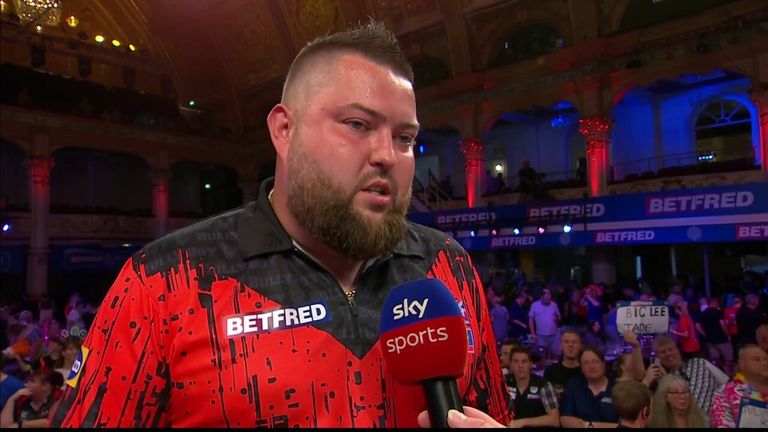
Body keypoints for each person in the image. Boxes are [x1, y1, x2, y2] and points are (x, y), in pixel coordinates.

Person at [49, 21, 511, 428]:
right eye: (356, 124)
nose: (387, 155)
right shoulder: (164, 282)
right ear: (284, 130)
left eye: (405, 138)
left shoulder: (448, 268)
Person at [651, 335, 728, 417]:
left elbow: (726, 384)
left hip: (715, 417)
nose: (668, 354)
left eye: (670, 349)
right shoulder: (665, 380)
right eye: (663, 352)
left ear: (678, 350)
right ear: (658, 357)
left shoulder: (701, 362)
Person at [710, 344, 768, 428]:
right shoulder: (726, 392)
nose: (765, 363)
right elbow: (721, 424)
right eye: (756, 359)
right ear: (742, 365)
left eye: (767, 359)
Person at [559, 347, 619, 428]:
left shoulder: (617, 388)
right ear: (581, 367)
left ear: (603, 364)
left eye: (595, 362)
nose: (591, 366)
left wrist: (589, 425)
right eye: (586, 363)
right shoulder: (574, 385)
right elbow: (565, 418)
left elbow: (624, 425)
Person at [505, 346, 560, 428]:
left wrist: (521, 422)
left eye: (524, 361)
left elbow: (554, 420)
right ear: (511, 364)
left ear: (530, 364)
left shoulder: (543, 385)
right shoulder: (503, 383)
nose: (520, 366)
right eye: (516, 361)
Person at [544, 330, 583, 400]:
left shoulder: (586, 371)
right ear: (561, 346)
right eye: (566, 342)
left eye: (574, 342)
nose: (570, 345)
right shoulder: (550, 371)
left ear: (581, 346)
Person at [528, 288, 561, 360]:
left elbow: (559, 318)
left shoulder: (554, 304)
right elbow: (531, 320)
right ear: (542, 297)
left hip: (554, 335)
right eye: (546, 298)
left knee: (556, 355)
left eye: (549, 298)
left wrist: (557, 319)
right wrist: (533, 333)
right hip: (541, 336)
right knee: (542, 356)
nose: (548, 300)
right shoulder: (534, 305)